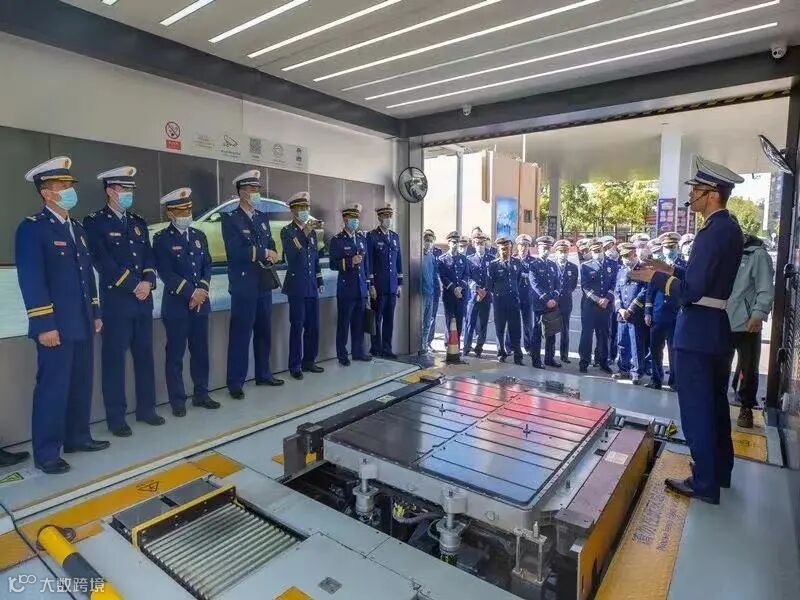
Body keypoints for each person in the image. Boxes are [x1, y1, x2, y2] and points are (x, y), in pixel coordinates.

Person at [630, 155, 744, 504]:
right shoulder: (729, 228)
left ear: (712, 194)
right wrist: (670, 269)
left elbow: (692, 292)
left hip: (696, 332)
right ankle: (719, 472)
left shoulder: (712, 231)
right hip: (715, 328)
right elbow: (703, 279)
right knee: (715, 406)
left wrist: (656, 278)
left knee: (697, 410)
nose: (691, 195)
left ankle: (704, 483)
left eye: (697, 189)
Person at [16, 157, 108, 474]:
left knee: (81, 383)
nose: (69, 191)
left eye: (70, 185)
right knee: (53, 388)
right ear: (46, 192)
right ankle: (46, 452)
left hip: (81, 322)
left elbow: (87, 275)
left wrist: (95, 312)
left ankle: (77, 437)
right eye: (63, 186)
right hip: (55, 325)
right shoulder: (32, 229)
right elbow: (32, 280)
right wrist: (44, 324)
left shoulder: (77, 228)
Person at [84, 166, 163, 437]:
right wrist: (134, 285)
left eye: (130, 189)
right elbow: (102, 262)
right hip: (117, 303)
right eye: (123, 189)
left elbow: (149, 257)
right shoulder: (95, 222)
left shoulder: (138, 221)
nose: (128, 193)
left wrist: (148, 282)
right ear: (110, 191)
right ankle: (116, 418)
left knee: (145, 357)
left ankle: (147, 409)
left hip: (142, 302)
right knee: (114, 362)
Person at [152, 188, 220, 417]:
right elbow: (166, 272)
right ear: (170, 213)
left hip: (200, 305)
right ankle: (178, 400)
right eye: (181, 211)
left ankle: (202, 394)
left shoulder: (199, 236)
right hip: (177, 307)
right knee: (176, 355)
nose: (186, 214)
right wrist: (191, 293)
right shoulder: (162, 239)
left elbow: (207, 265)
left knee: (200, 353)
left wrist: (202, 290)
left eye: (189, 209)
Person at [221, 170, 283, 399]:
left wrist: (272, 253)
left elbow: (270, 242)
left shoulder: (261, 217)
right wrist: (263, 252)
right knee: (241, 334)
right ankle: (235, 382)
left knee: (264, 331)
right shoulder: (230, 219)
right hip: (243, 285)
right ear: (241, 192)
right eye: (252, 189)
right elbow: (235, 251)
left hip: (263, 283)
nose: (256, 193)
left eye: (258, 189)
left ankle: (263, 374)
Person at [727, 229, 775, 428]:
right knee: (717, 366)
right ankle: (718, 401)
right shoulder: (723, 251)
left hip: (747, 323)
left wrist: (758, 313)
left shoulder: (757, 255)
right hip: (721, 320)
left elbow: (766, 287)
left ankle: (746, 407)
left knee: (748, 368)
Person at [281, 192, 324, 379]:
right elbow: (292, 255)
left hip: (311, 286)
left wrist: (319, 280)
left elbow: (315, 260)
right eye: (301, 208)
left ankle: (309, 361)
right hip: (297, 286)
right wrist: (303, 233)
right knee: (297, 326)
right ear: (293, 211)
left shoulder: (312, 233)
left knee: (313, 326)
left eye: (306, 208)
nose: (305, 211)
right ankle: (295, 365)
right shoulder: (287, 231)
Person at [329, 203, 373, 366]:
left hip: (361, 289)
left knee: (359, 323)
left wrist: (368, 285)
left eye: (357, 218)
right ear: (345, 219)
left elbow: (366, 265)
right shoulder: (337, 240)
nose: (355, 221)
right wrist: (349, 261)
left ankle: (358, 352)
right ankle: (342, 355)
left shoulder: (361, 239)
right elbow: (333, 264)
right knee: (344, 323)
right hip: (346, 289)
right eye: (352, 218)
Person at [645, 233, 680, 390]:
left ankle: (675, 381)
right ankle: (656, 379)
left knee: (674, 350)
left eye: (672, 247)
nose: (669, 250)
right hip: (658, 314)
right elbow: (650, 290)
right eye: (667, 247)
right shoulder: (658, 266)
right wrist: (647, 311)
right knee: (655, 349)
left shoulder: (683, 266)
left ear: (677, 248)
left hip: (675, 315)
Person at [367, 204, 403, 358]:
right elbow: (369, 262)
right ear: (380, 218)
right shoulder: (372, 236)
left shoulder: (394, 237)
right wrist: (371, 285)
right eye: (386, 216)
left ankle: (387, 349)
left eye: (390, 216)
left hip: (392, 286)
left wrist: (400, 284)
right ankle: (376, 348)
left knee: (389, 319)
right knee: (377, 319)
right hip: (378, 286)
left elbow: (398, 261)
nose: (388, 219)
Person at [612, 243, 647, 385]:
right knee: (622, 342)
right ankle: (623, 369)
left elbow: (644, 291)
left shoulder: (643, 270)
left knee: (636, 343)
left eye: (628, 256)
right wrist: (620, 308)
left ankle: (636, 372)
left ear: (635, 254)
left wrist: (631, 309)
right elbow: (617, 291)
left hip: (635, 313)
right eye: (623, 256)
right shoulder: (621, 271)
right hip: (622, 314)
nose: (626, 259)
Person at [579, 240, 615, 374]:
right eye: (594, 251)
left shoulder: (613, 264)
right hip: (590, 305)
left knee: (604, 334)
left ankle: (603, 361)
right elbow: (585, 286)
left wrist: (607, 298)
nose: (597, 253)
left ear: (603, 249)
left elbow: (614, 283)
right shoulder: (585, 266)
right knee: (587, 334)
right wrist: (597, 299)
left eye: (599, 250)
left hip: (606, 305)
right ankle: (584, 361)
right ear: (591, 252)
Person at [487, 236, 524, 365]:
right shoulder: (493, 265)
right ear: (498, 249)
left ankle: (518, 356)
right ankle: (501, 353)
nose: (505, 251)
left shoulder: (517, 263)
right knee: (500, 329)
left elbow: (518, 280)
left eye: (507, 248)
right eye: (503, 249)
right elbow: (490, 284)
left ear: (511, 248)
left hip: (513, 301)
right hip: (499, 301)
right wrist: (499, 293)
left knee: (515, 329)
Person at [530, 236, 561, 368]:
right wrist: (547, 299)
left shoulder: (553, 265)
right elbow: (535, 284)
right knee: (537, 333)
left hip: (552, 304)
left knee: (551, 333)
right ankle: (536, 360)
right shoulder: (533, 265)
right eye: (544, 248)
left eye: (548, 248)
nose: (546, 250)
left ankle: (549, 358)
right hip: (540, 304)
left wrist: (555, 298)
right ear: (538, 248)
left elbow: (558, 283)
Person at [463, 232, 492, 357]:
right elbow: (467, 277)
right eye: (477, 243)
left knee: (483, 323)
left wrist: (485, 290)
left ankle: (479, 347)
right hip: (473, 296)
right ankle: (466, 347)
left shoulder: (491, 259)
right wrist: (477, 289)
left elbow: (492, 278)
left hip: (486, 296)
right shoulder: (469, 259)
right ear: (474, 244)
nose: (480, 245)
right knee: (470, 322)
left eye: (482, 243)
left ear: (485, 244)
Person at [438, 231, 469, 341]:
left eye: (457, 242)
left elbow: (466, 275)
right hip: (449, 295)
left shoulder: (463, 258)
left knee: (459, 321)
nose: (455, 244)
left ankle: (457, 344)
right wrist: (454, 289)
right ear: (449, 243)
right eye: (453, 242)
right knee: (449, 320)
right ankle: (449, 344)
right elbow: (443, 276)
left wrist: (460, 288)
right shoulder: (442, 259)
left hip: (461, 295)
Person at [553, 239, 578, 363]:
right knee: (551, 329)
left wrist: (565, 293)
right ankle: (550, 355)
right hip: (553, 301)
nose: (563, 254)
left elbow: (573, 285)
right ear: (556, 252)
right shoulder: (551, 266)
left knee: (565, 329)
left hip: (566, 302)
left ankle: (564, 355)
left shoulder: (573, 267)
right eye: (561, 251)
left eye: (565, 251)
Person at [513, 234, 535, 359]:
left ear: (528, 247)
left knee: (528, 324)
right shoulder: (513, 259)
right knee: (513, 323)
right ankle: (510, 346)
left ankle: (529, 347)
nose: (523, 248)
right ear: (518, 246)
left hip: (527, 296)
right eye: (521, 245)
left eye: (526, 245)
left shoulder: (533, 261)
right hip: (515, 296)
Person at [601, 236, 621, 365]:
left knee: (617, 330)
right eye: (606, 247)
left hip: (620, 302)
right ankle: (606, 356)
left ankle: (614, 355)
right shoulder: (604, 262)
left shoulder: (622, 261)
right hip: (608, 302)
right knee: (606, 330)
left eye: (611, 246)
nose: (610, 249)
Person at [420, 230, 440, 355]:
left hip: (430, 293)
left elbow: (434, 275)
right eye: (426, 240)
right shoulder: (418, 255)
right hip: (421, 294)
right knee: (420, 322)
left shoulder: (432, 257)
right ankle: (419, 345)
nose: (428, 243)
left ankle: (424, 345)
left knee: (428, 322)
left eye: (431, 241)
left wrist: (435, 290)